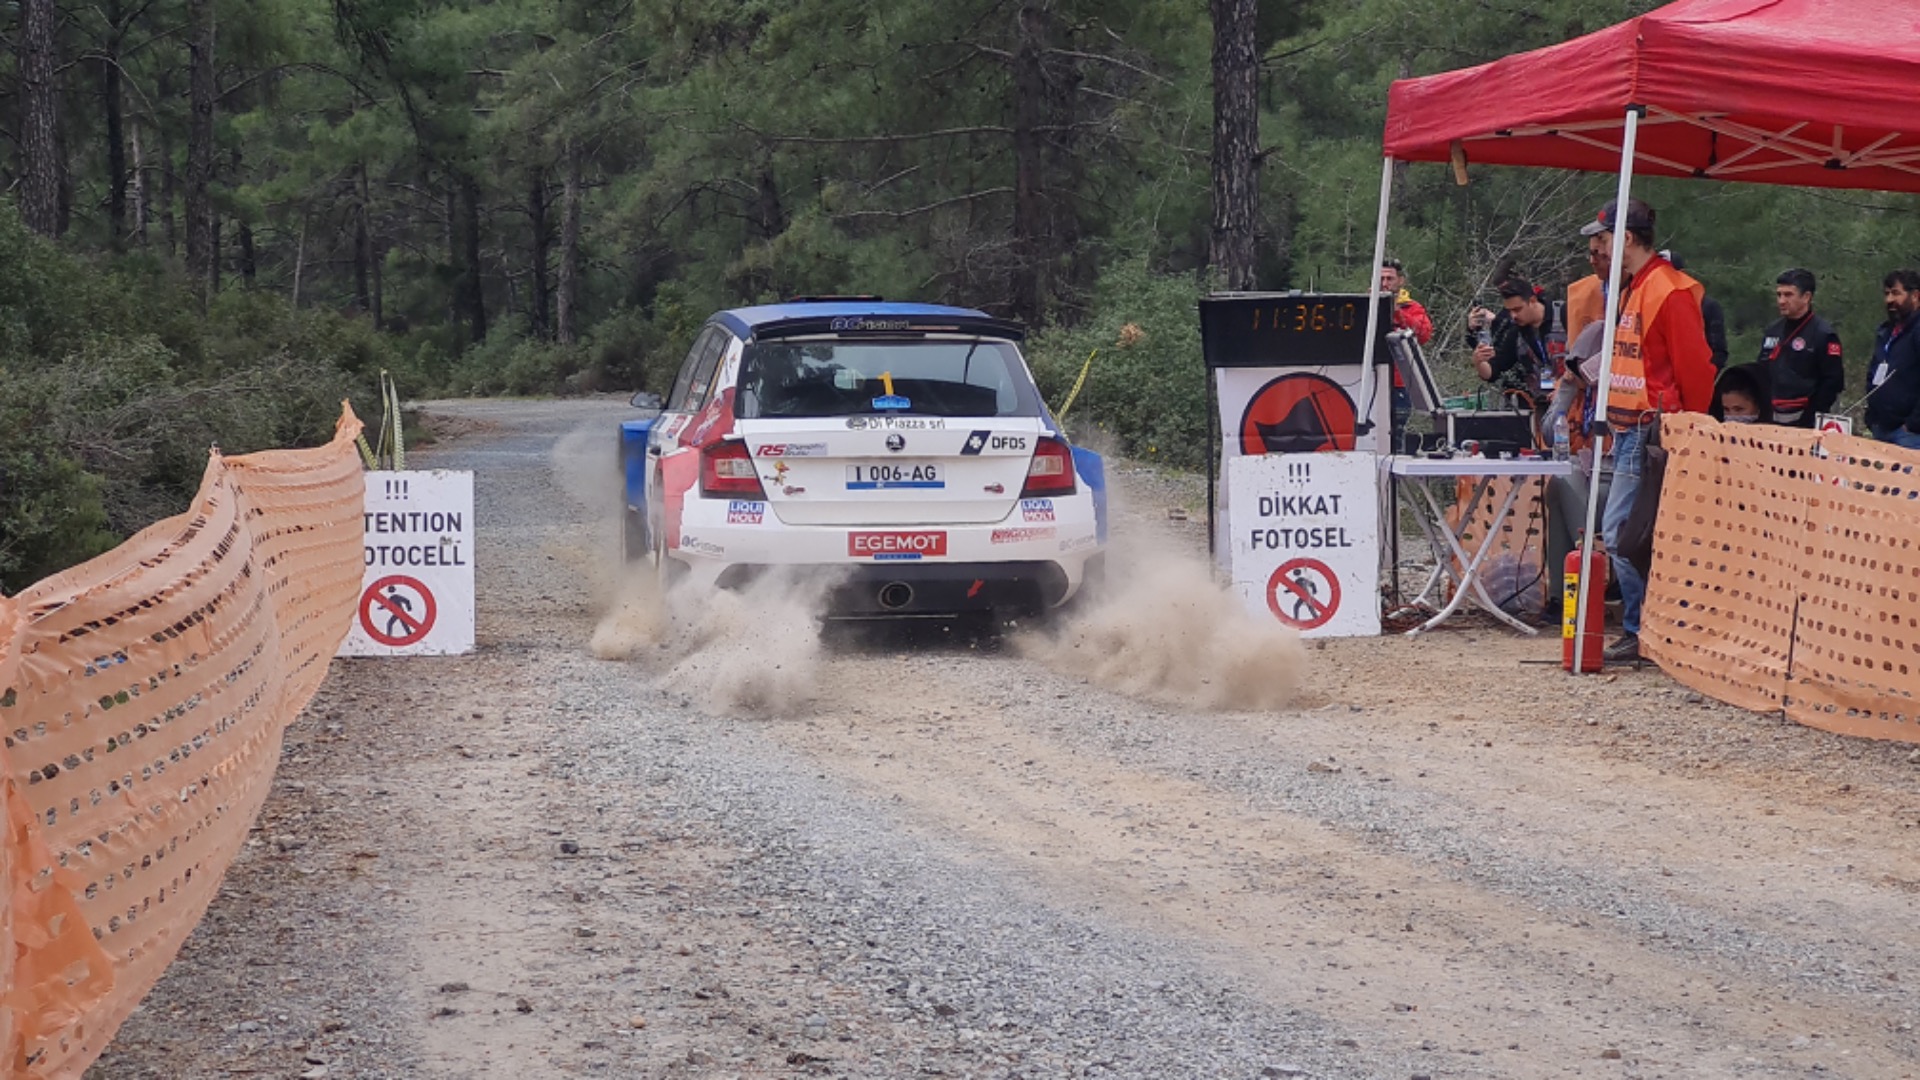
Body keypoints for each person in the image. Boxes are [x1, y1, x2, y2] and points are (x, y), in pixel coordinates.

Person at [1589, 197, 1716, 664]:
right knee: (1635, 532)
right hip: (1632, 428)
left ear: (1624, 238)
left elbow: (1695, 367)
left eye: (1601, 239)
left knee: (1625, 532)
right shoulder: (1638, 287)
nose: (1597, 249)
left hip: (1650, 429)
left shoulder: (1667, 290)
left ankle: (1644, 630)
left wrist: (1689, 426)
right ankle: (1647, 629)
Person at [1542, 320, 1613, 622]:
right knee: (1561, 479)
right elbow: (1548, 434)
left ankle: (1581, 580)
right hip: (1579, 479)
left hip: (1613, 480)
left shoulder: (1616, 391)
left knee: (1563, 481)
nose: (1578, 370)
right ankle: (1567, 591)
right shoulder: (1570, 389)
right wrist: (1566, 392)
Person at [1756, 268, 1844, 427]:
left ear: (1806, 297)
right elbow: (1761, 370)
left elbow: (1832, 382)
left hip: (1805, 419)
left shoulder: (1823, 334)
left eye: (1788, 295)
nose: (1781, 301)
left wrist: (1809, 418)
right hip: (1771, 416)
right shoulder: (1772, 330)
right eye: (1779, 295)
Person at [1468, 264, 1555, 418]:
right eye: (1509, 311)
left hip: (1577, 400)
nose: (1513, 316)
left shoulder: (1564, 315)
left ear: (1533, 300)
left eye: (1517, 309)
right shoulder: (1516, 333)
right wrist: (1479, 362)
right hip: (1544, 408)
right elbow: (1495, 369)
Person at [1865, 268, 1920, 449]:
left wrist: (1912, 424)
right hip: (1881, 426)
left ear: (1915, 296)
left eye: (1896, 293)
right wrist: (1871, 414)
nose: (1890, 300)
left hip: (1909, 433)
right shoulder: (1885, 331)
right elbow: (1874, 370)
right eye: (1887, 294)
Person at [1662, 251, 1729, 368]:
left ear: (1680, 274)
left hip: (1691, 378)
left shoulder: (1706, 305)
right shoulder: (1647, 304)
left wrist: (1701, 379)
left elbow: (1718, 352)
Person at [1381, 258, 1433, 344]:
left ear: (1401, 281)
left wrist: (1397, 313)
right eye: (1381, 279)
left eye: (1389, 279)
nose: (1384, 284)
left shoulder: (1412, 307)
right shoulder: (1367, 304)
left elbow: (1423, 335)